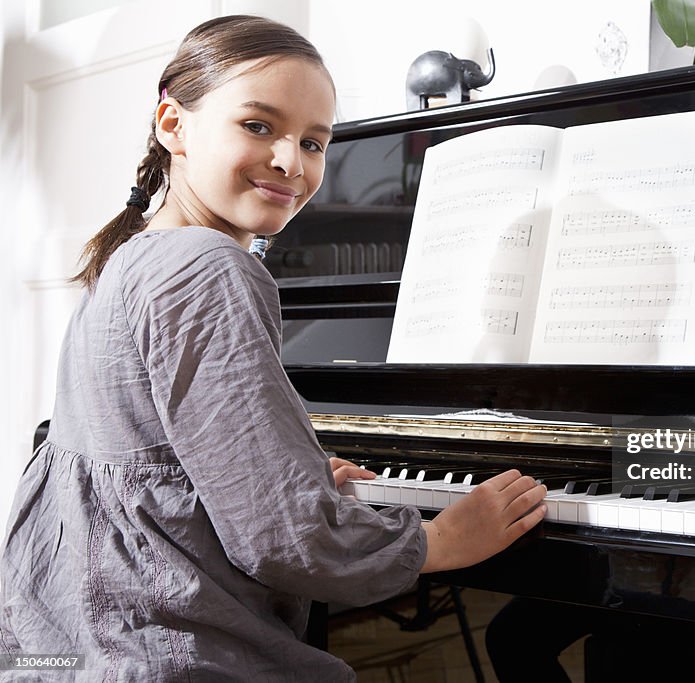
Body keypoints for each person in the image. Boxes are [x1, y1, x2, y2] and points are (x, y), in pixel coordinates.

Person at [0, 15, 546, 681]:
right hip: (168, 657)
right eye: (258, 126)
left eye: (314, 142)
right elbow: (283, 534)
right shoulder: (210, 267)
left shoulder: (129, 256)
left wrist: (289, 474)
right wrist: (440, 538)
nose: (292, 161)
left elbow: (160, 473)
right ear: (173, 125)